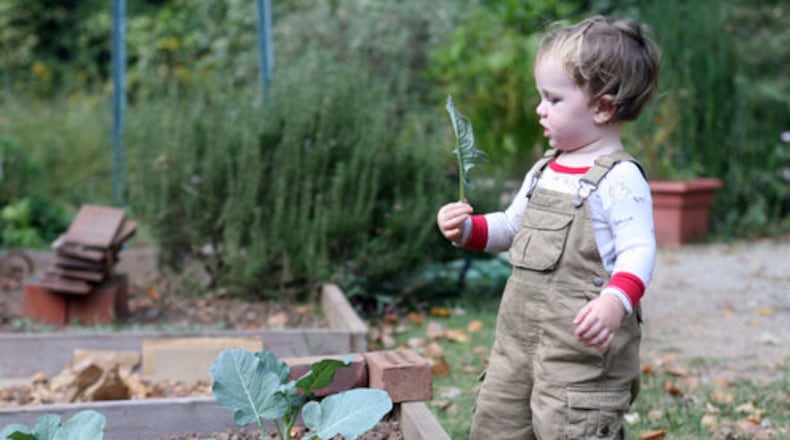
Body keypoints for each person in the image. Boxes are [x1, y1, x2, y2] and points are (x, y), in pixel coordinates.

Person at [436, 15, 661, 440]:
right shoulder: (544, 170)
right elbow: (512, 226)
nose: (540, 108)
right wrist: (467, 229)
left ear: (603, 106)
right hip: (516, 347)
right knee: (498, 422)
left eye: (553, 99)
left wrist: (615, 302)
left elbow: (638, 250)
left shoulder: (619, 178)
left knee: (569, 428)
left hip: (580, 359)